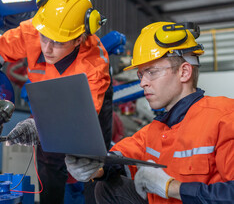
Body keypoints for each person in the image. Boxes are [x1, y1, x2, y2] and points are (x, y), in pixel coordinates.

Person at [0, 0, 113, 204]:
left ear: (79, 38)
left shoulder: (93, 67)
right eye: (45, 38)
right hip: (49, 99)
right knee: (48, 160)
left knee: (92, 163)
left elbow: (80, 122)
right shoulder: (36, 30)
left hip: (83, 107)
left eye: (59, 42)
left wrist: (39, 126)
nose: (48, 48)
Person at [65, 21, 234, 204]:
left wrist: (173, 188)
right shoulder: (155, 131)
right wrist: (93, 168)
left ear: (184, 72)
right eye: (141, 74)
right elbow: (121, 159)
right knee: (107, 187)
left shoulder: (224, 118)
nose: (143, 82)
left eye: (151, 72)